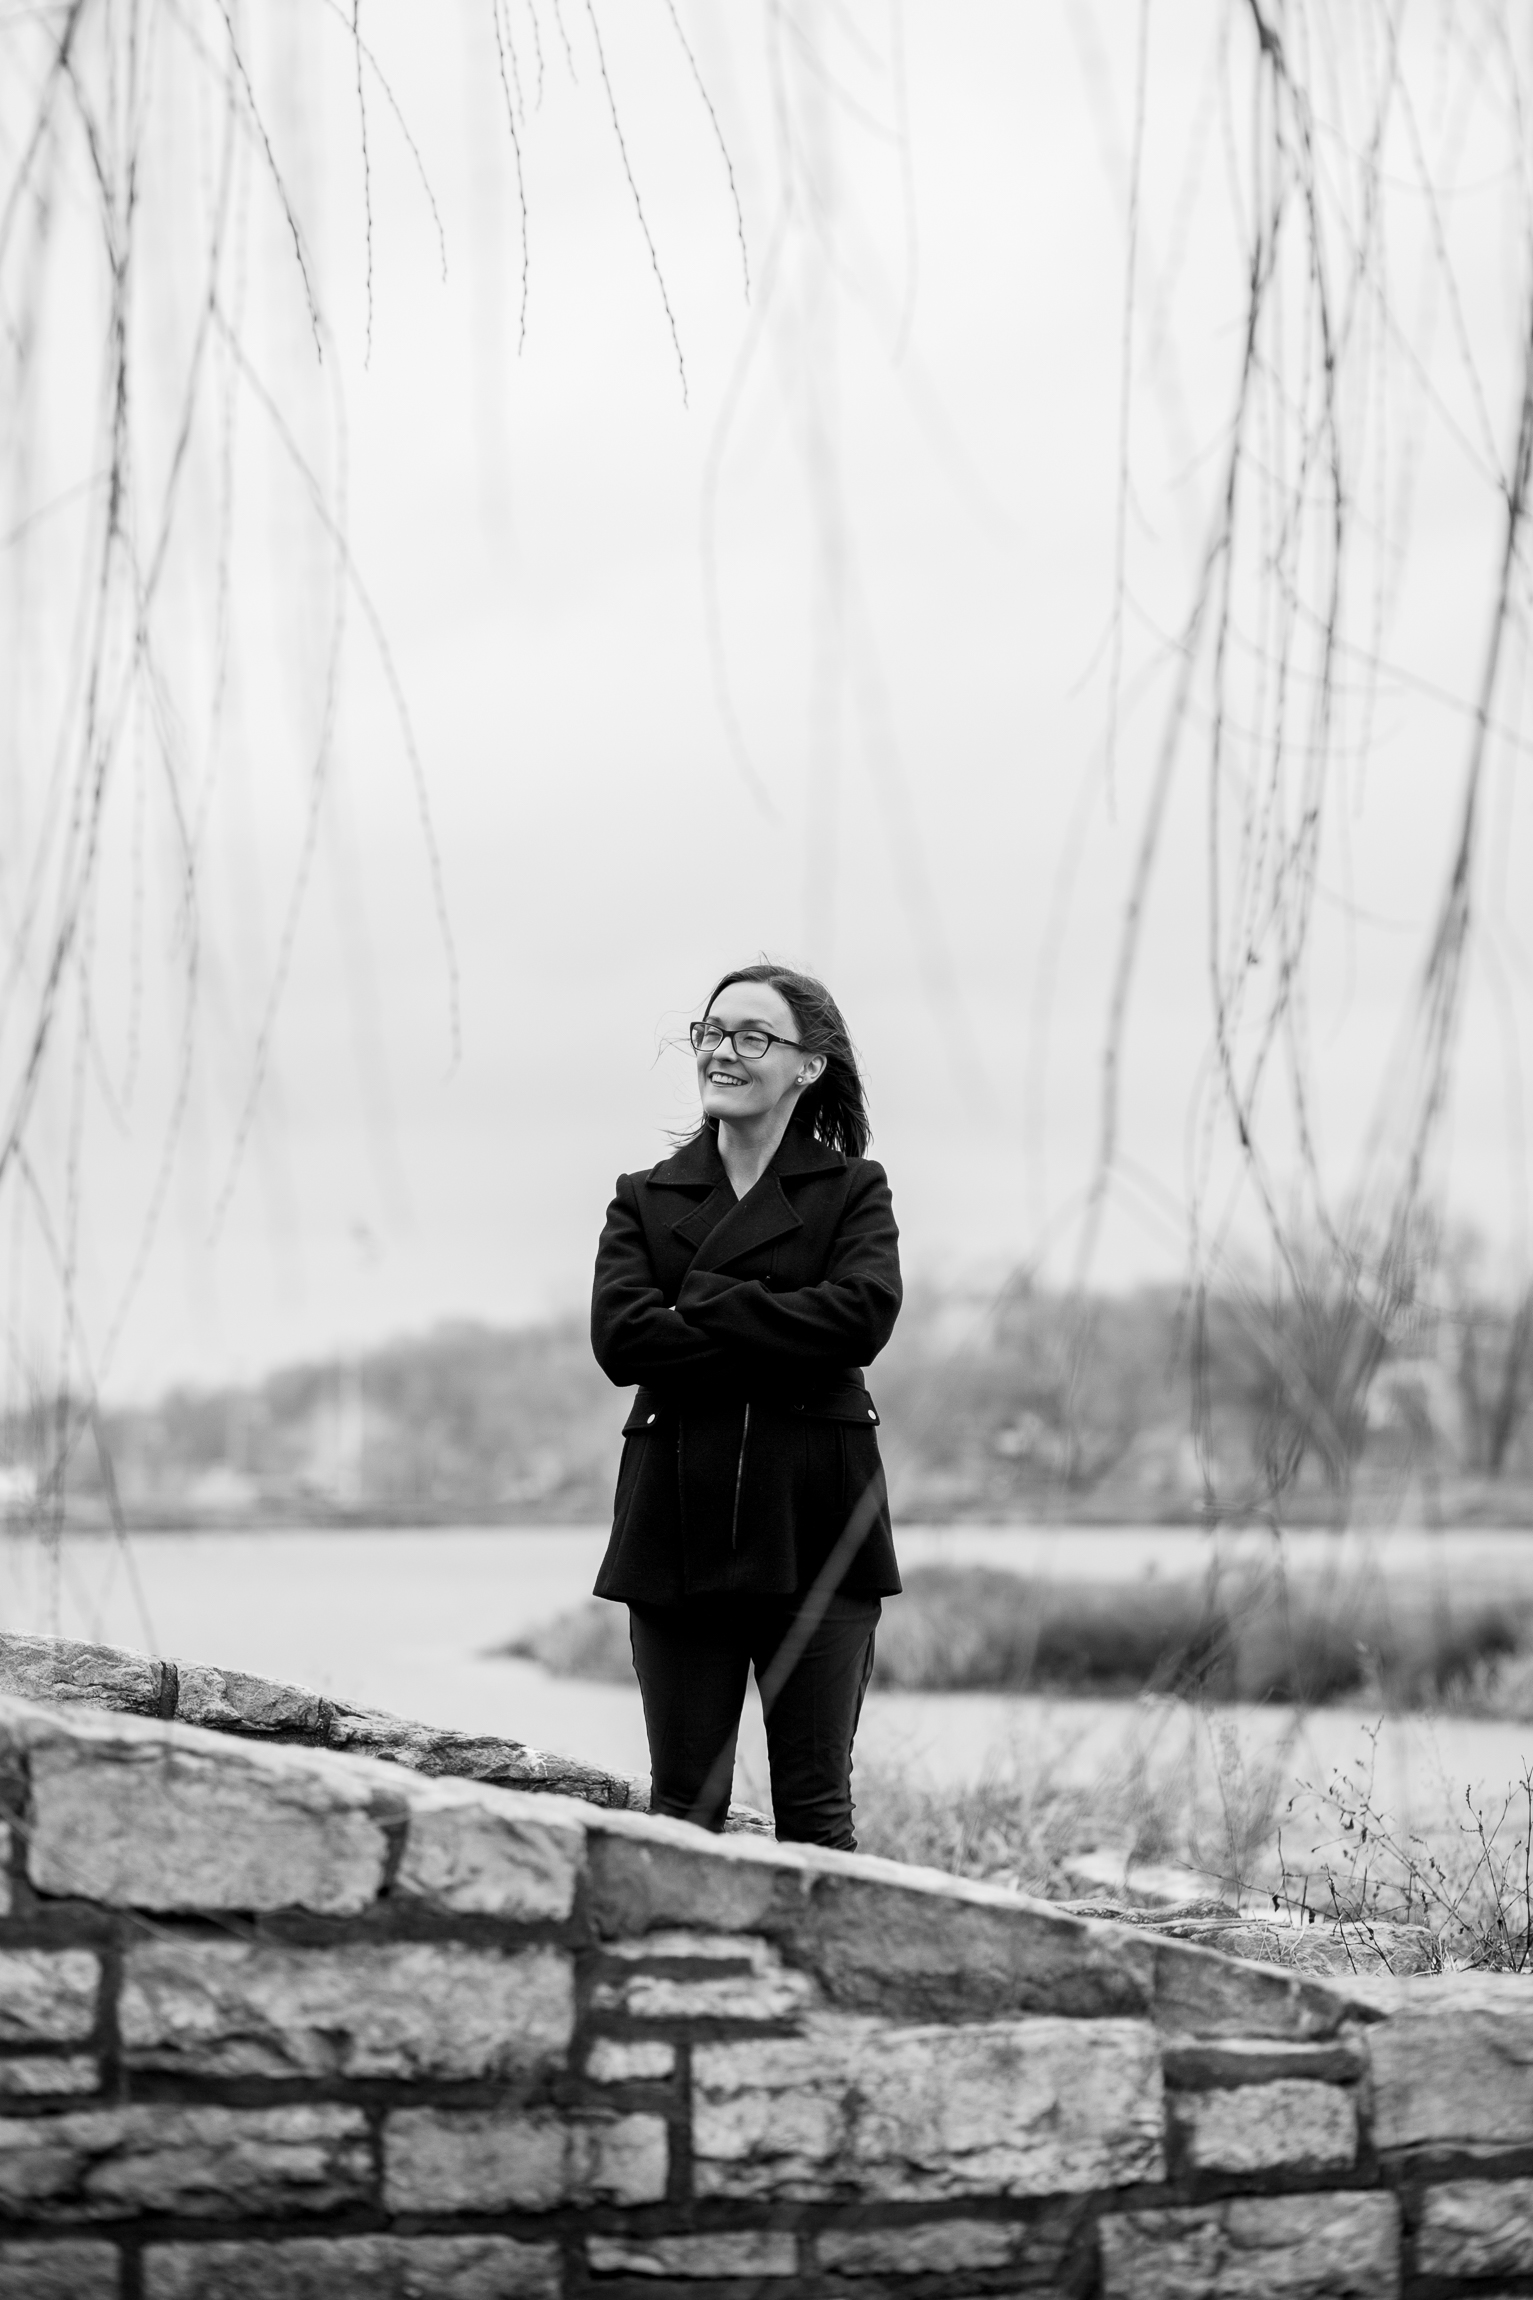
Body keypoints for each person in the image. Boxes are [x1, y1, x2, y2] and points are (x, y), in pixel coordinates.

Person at [590, 961, 902, 1849]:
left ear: (808, 1064)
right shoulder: (643, 1198)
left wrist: (706, 1304)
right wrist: (780, 1325)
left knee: (815, 1816)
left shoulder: (853, 1191)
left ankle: (824, 1990)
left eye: (752, 1036)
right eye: (711, 1033)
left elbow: (860, 1319)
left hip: (819, 1528)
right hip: (673, 1532)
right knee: (682, 1811)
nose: (722, 1052)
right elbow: (622, 1341)